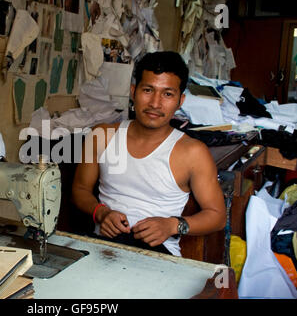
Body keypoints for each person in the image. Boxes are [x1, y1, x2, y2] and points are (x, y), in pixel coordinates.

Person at [71, 51, 226, 256]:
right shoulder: (103, 136)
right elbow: (80, 189)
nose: (155, 103)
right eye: (148, 90)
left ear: (180, 101)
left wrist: (172, 226)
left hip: (159, 256)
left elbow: (217, 216)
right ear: (133, 92)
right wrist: (100, 212)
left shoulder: (193, 153)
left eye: (167, 94)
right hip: (103, 248)